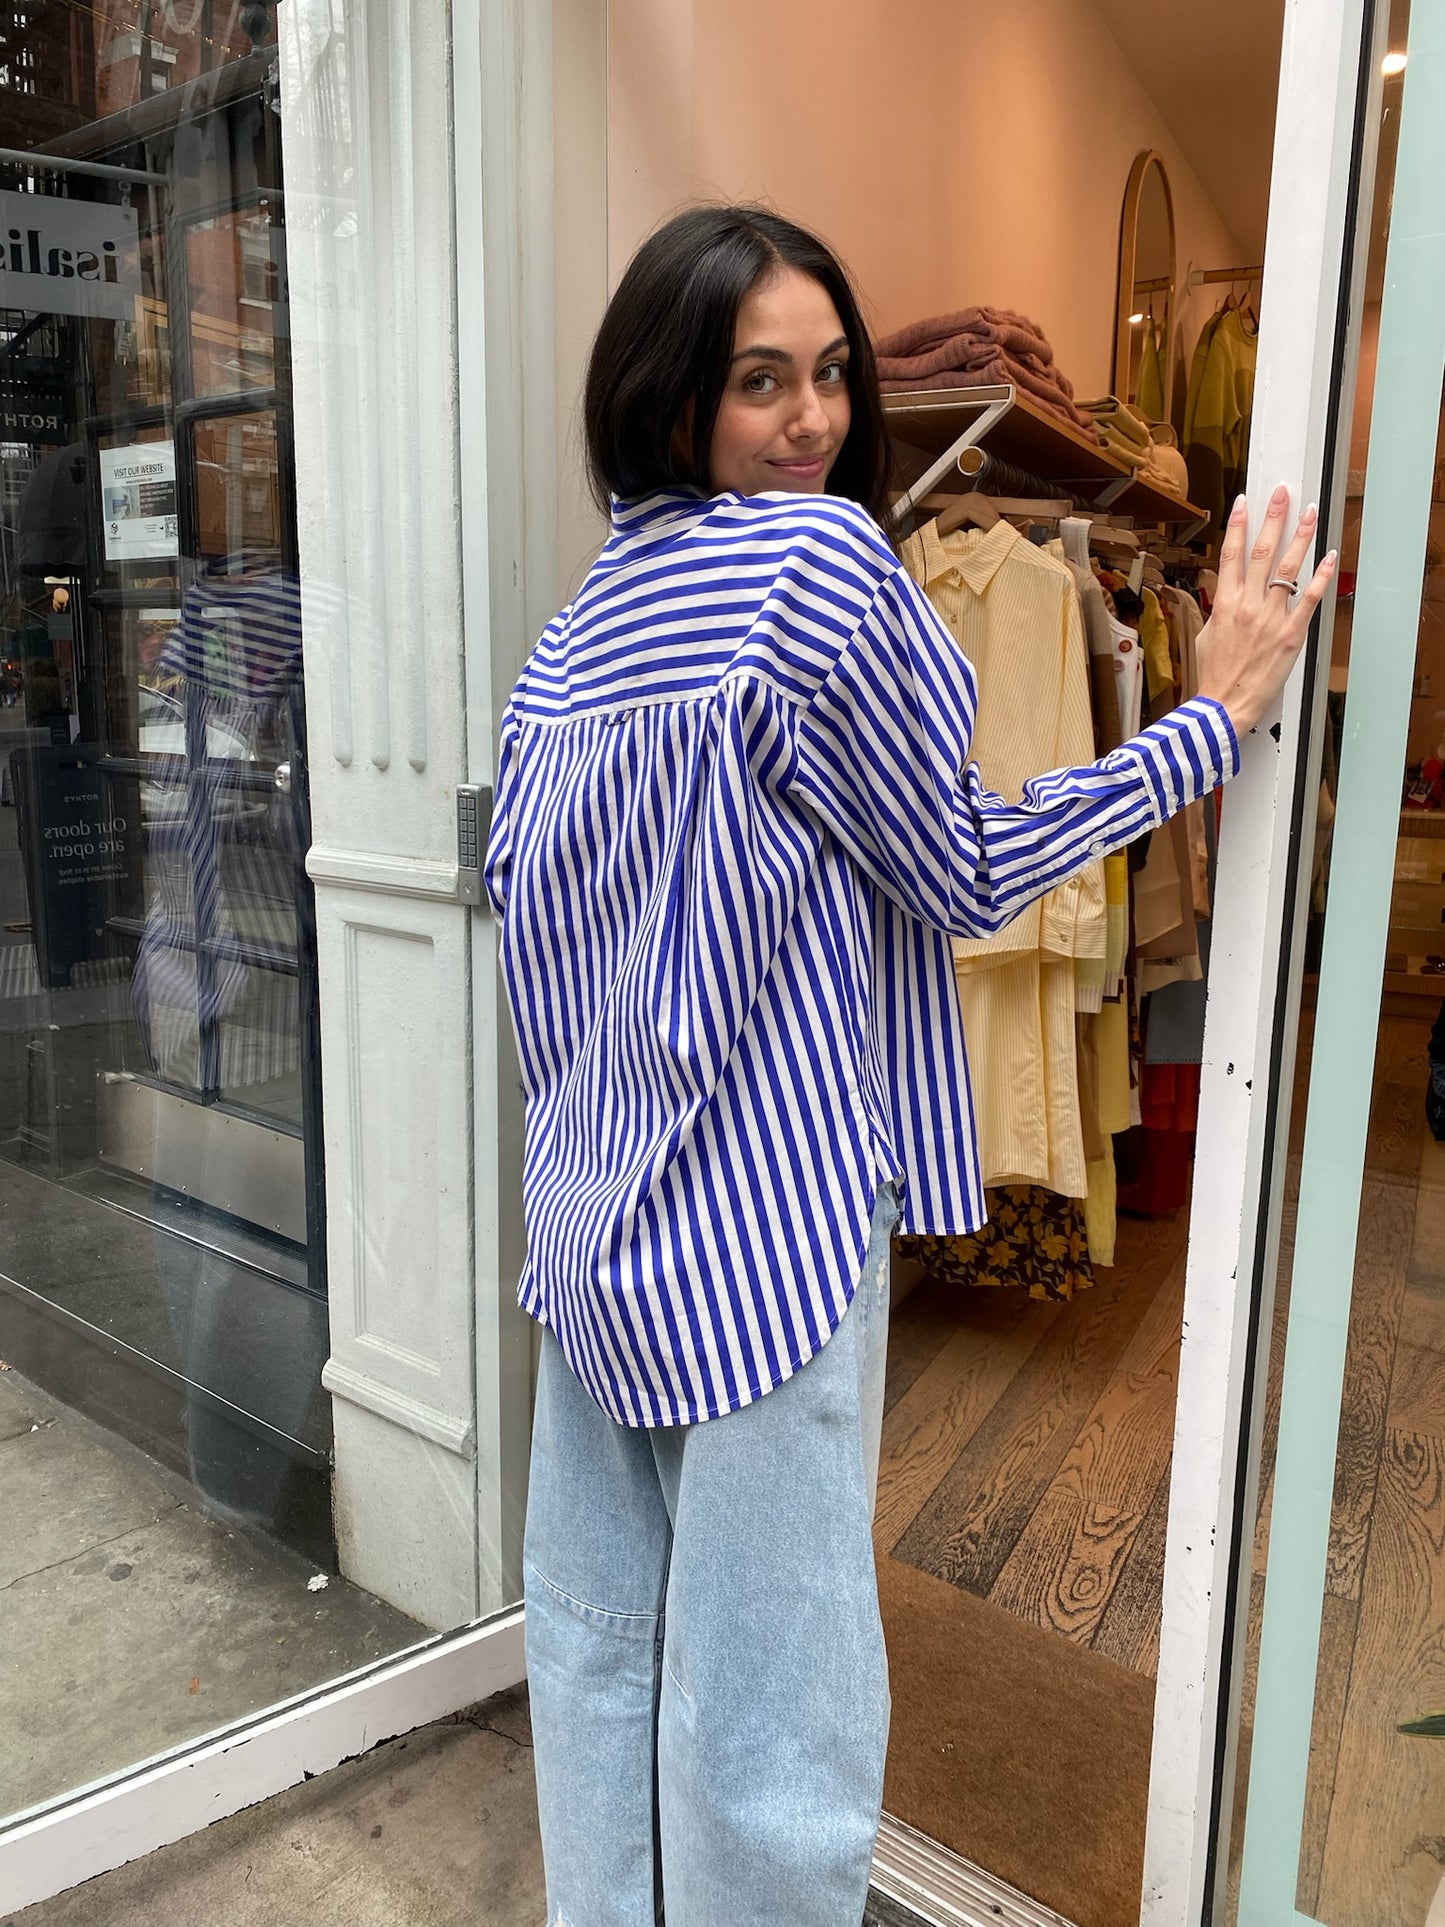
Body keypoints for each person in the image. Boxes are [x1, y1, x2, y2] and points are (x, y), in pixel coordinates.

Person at [482, 205, 1333, 1927]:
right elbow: (958, 864)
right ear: (670, 401)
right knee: (772, 1722)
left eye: (828, 377)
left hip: (589, 1233)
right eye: (756, 383)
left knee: (598, 1661)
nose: (807, 422)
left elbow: (533, 922)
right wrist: (1211, 716)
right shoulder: (821, 571)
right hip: (766, 1240)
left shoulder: (575, 634)